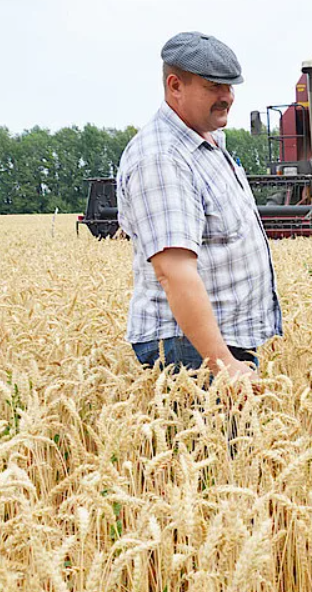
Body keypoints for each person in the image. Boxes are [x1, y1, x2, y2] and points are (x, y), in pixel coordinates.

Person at [117, 32, 282, 377]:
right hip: (189, 348)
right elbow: (173, 271)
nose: (227, 97)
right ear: (175, 86)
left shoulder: (207, 143)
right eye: (213, 87)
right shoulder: (162, 159)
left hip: (211, 343)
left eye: (230, 87)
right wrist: (222, 363)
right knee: (211, 433)